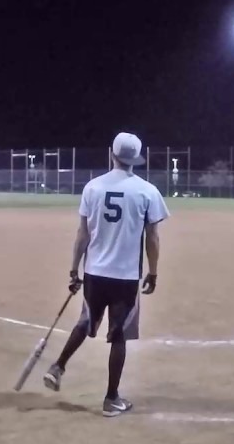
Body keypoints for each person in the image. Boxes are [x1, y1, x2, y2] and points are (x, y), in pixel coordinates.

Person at [44, 132, 169, 417]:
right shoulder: (147, 191)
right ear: (135, 160)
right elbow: (153, 238)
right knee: (119, 336)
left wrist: (74, 270)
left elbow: (82, 234)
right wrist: (154, 272)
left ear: (111, 154)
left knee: (86, 320)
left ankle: (58, 366)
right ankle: (112, 398)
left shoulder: (92, 188)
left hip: (95, 272)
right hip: (125, 276)